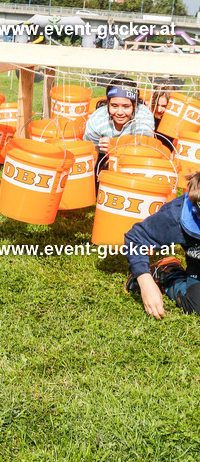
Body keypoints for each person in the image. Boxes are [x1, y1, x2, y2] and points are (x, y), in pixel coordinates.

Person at [125, 170, 200, 317]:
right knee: (197, 305)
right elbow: (135, 238)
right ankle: (168, 273)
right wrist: (145, 280)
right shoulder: (177, 216)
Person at [84, 79, 155, 155]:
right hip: (102, 155)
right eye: (114, 106)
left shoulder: (143, 116)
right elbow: (89, 154)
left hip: (134, 156)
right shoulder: (97, 119)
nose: (120, 112)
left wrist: (115, 148)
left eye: (126, 106)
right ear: (108, 104)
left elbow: (143, 152)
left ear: (136, 105)